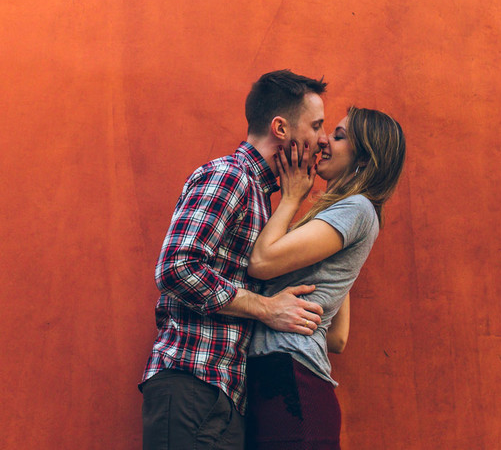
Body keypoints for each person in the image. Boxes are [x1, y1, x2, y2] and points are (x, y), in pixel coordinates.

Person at [141, 70, 332, 450]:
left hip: (220, 397)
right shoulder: (231, 176)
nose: (322, 139)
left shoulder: (261, 196)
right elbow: (178, 266)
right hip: (192, 383)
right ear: (280, 128)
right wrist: (267, 308)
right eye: (316, 126)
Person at [244, 106, 406, 450]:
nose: (323, 141)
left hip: (289, 382)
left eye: (339, 135)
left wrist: (290, 197)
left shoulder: (357, 208)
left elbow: (260, 261)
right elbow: (338, 338)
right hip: (288, 381)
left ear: (364, 157)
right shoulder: (346, 215)